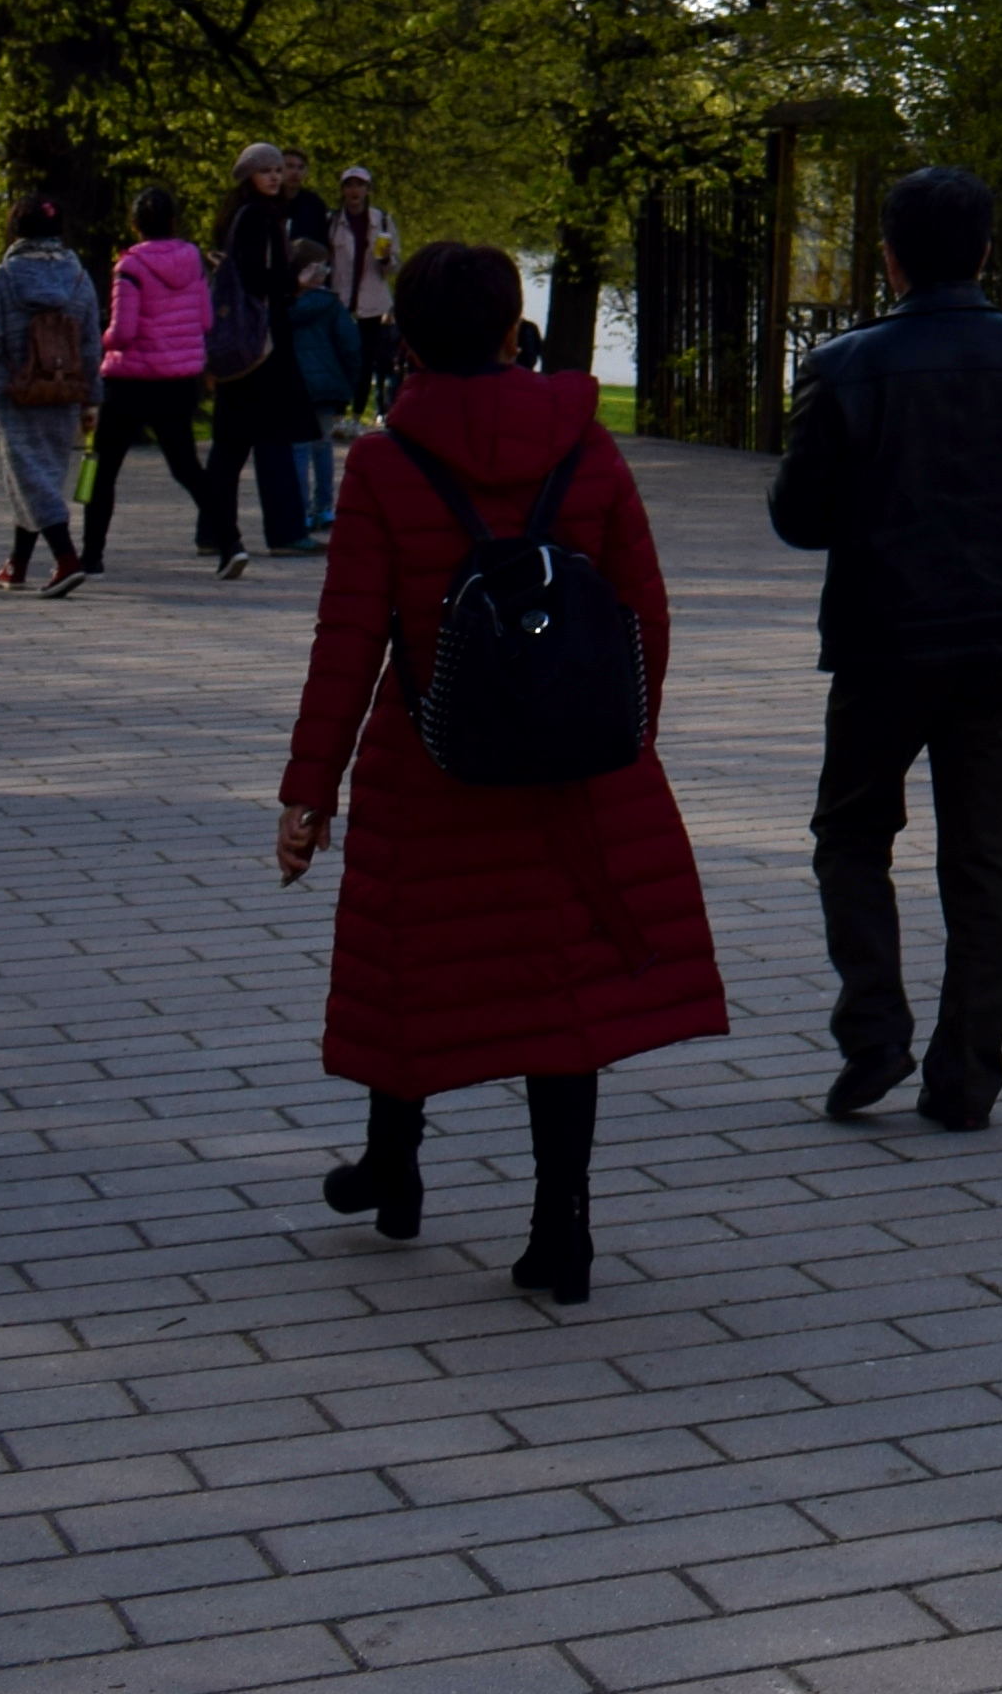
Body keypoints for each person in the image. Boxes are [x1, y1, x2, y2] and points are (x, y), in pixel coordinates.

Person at [274, 239, 723, 1305]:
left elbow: (350, 644)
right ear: (515, 330)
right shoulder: (590, 447)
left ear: (410, 341)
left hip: (433, 756)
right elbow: (645, 612)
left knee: (409, 957)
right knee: (559, 991)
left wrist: (309, 792)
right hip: (575, 768)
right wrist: (623, 735)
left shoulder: (384, 464)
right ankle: (559, 1231)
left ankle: (394, 1169)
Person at [764, 164, 1002, 1128]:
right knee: (984, 859)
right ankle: (967, 1076)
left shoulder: (843, 365)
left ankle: (874, 1028)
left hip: (884, 637)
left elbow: (802, 516)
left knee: (852, 833)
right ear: (986, 251)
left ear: (890, 258)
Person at [89, 182, 243, 578]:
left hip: (129, 380)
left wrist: (99, 340)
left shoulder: (129, 267)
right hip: (178, 380)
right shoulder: (193, 260)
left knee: (98, 466)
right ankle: (230, 542)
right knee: (187, 467)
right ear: (174, 221)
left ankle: (89, 552)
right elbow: (205, 320)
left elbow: (123, 333)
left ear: (135, 224)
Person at [0, 194, 103, 594]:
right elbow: (91, 342)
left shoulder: (3, 278)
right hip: (64, 391)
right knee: (34, 476)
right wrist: (91, 398)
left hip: (16, 391)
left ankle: (66, 559)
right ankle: (18, 562)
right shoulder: (79, 277)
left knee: (30, 476)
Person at [217, 144, 337, 552]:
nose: (274, 177)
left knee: (232, 442)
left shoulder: (251, 214)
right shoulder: (257, 217)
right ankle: (285, 530)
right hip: (262, 343)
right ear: (249, 175)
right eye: (265, 170)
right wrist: (294, 283)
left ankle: (215, 531)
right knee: (273, 436)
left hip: (249, 344)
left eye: (276, 170)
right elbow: (254, 277)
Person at [328, 167, 402, 416]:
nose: (354, 190)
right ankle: (338, 410)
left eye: (360, 185)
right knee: (340, 356)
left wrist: (386, 259)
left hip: (373, 302)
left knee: (365, 360)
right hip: (340, 299)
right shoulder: (333, 221)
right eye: (349, 185)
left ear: (367, 190)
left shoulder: (381, 220)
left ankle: (357, 413)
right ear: (343, 190)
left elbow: (394, 264)